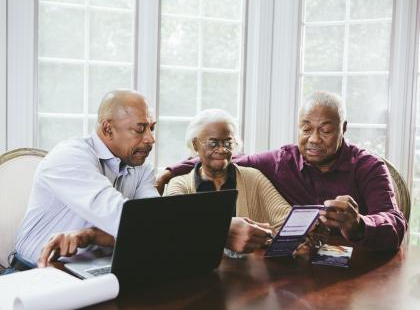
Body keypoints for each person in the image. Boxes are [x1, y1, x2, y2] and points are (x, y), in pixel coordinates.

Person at [157, 91, 408, 251]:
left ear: (344, 128)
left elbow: (395, 223)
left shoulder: (369, 166)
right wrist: (170, 172)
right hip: (298, 275)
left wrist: (359, 224)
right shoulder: (280, 160)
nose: (314, 139)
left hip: (359, 274)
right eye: (306, 128)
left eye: (326, 130)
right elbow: (226, 157)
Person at [10, 89, 158, 271]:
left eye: (152, 128)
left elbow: (154, 226)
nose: (151, 139)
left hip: (96, 273)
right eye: (140, 129)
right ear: (107, 129)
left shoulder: (143, 168)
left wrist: (91, 235)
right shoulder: (70, 156)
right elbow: (127, 219)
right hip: (31, 273)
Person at [165, 109, 292, 254]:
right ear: (195, 145)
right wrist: (224, 229)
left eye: (228, 142)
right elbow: (176, 226)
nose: (222, 149)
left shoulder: (254, 178)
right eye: (213, 144)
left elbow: (287, 221)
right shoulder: (179, 185)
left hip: (246, 273)